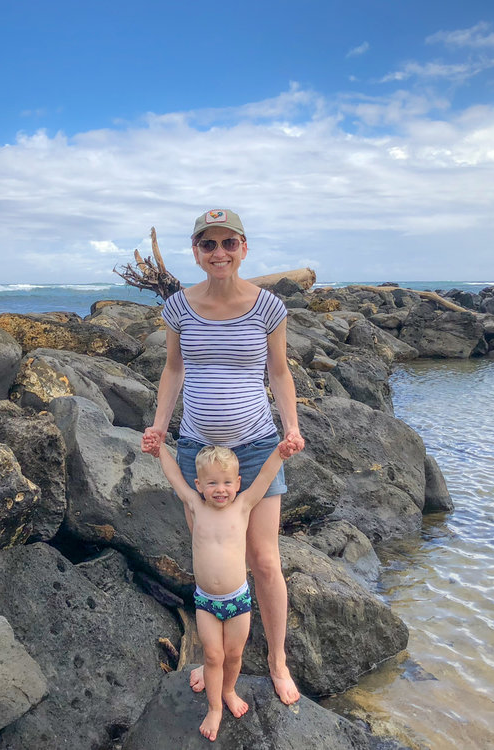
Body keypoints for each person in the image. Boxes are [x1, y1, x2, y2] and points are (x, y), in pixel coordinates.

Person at [140, 208, 305, 705]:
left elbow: (279, 373)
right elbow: (173, 369)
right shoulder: (179, 307)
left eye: (228, 243)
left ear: (243, 248)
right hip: (195, 449)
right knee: (208, 560)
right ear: (196, 251)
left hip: (255, 446)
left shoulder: (268, 307)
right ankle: (207, 656)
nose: (219, 253)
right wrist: (159, 426)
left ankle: (277, 661)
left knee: (263, 560)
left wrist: (291, 427)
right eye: (208, 244)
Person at [143, 438, 299, 741]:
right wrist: (159, 448)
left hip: (238, 600)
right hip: (206, 602)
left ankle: (229, 690)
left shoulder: (243, 506)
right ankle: (214, 707)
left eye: (227, 482)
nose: (221, 489)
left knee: (233, 654)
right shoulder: (195, 505)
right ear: (199, 485)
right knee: (213, 656)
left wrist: (281, 453)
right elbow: (175, 476)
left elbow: (265, 477)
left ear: (238, 483)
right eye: (212, 483)